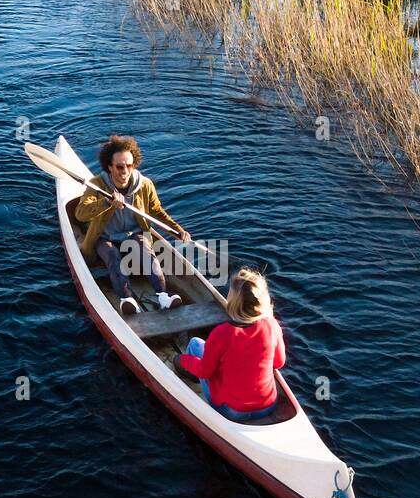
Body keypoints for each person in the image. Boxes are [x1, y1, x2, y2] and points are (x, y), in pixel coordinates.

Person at [75, 135, 191, 315]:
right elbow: (81, 213)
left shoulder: (144, 184)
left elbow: (157, 211)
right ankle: (127, 299)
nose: (124, 171)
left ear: (134, 164)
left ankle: (163, 296)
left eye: (129, 166)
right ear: (109, 167)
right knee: (113, 257)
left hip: (134, 234)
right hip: (105, 237)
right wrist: (106, 203)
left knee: (146, 252)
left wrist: (178, 230)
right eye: (119, 167)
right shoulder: (97, 185)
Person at [178, 268, 285, 421]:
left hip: (232, 411)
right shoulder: (272, 325)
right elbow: (279, 362)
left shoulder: (222, 333)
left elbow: (204, 372)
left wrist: (183, 359)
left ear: (233, 301)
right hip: (268, 405)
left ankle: (187, 375)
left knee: (195, 344)